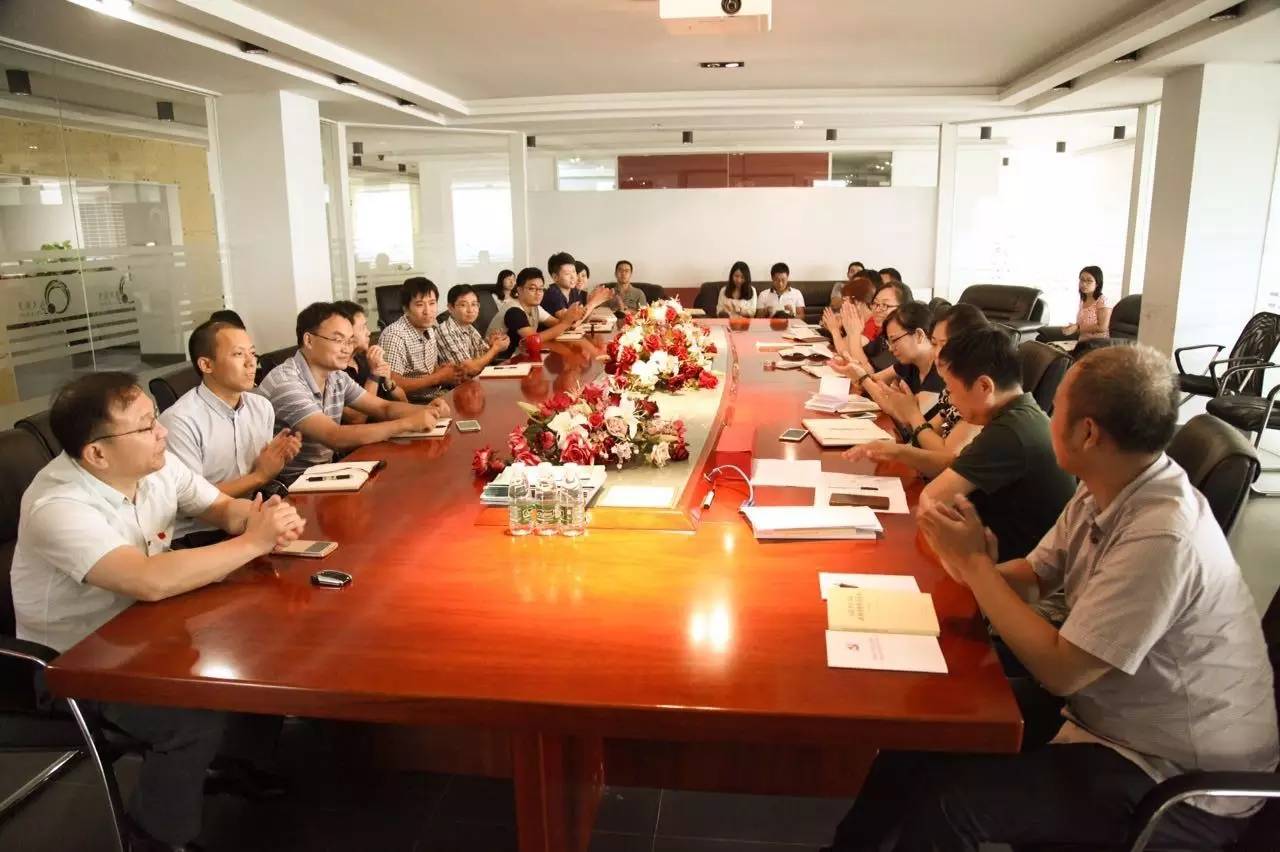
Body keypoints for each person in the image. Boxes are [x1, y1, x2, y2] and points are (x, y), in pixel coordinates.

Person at [826, 345, 1278, 852]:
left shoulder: (1163, 534)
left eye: (1055, 407)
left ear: (1087, 433)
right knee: (928, 726)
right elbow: (1035, 576)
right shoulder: (1108, 483)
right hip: (1107, 714)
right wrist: (968, 565)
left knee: (954, 803)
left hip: (1168, 773)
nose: (1045, 415)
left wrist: (977, 569)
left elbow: (1063, 671)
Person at [11, 371, 307, 851]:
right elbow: (146, 580)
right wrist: (253, 542)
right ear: (97, 454)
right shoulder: (57, 505)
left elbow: (221, 508)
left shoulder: (154, 466)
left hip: (146, 629)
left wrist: (260, 520)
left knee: (261, 638)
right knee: (190, 718)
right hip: (74, 665)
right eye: (146, 425)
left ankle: (234, 761)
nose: (162, 431)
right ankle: (155, 835)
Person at [915, 326, 1077, 562]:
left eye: (951, 390)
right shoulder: (1023, 413)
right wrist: (896, 452)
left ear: (984, 386)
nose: (950, 400)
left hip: (1008, 571)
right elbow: (957, 464)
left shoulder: (1010, 433)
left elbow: (932, 503)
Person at [256, 302, 450, 483]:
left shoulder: (336, 376)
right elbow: (334, 436)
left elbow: (383, 407)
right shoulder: (287, 382)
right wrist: (407, 423)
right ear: (309, 340)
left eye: (350, 341)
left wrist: (427, 410)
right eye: (338, 340)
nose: (347, 349)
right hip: (290, 486)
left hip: (324, 474)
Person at [160, 319, 302, 547]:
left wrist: (276, 459)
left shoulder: (261, 407)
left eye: (253, 353)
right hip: (198, 536)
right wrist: (259, 476)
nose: (251, 363)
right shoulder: (180, 420)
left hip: (248, 519)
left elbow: (261, 476)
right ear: (206, 365)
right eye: (238, 354)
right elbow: (188, 503)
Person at [842, 303, 988, 478]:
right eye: (934, 343)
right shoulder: (948, 387)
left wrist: (910, 415)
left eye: (942, 345)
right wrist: (896, 449)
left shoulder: (977, 398)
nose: (936, 353)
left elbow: (946, 460)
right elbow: (923, 434)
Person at [376, 277, 462, 402]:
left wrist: (444, 371)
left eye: (432, 303)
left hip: (436, 394)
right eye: (420, 305)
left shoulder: (429, 328)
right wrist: (438, 377)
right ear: (406, 309)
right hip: (413, 403)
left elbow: (429, 370)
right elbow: (392, 384)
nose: (428, 311)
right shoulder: (394, 335)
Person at [332, 300, 407, 424]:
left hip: (391, 426)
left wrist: (388, 383)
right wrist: (374, 376)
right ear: (346, 332)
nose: (369, 332)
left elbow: (403, 401)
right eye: (363, 327)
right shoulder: (334, 369)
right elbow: (357, 419)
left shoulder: (365, 358)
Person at [500, 267, 584, 360]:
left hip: (521, 358)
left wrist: (570, 318)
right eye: (532, 289)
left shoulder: (535, 308)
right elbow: (533, 339)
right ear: (519, 290)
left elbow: (557, 324)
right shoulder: (513, 311)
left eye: (541, 289)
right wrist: (566, 323)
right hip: (503, 362)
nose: (538, 293)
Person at [436, 284, 510, 375]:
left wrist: (492, 344)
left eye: (474, 304)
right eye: (463, 305)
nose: (470, 310)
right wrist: (495, 349)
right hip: (460, 383)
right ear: (451, 308)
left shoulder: (469, 327)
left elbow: (484, 359)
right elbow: (469, 369)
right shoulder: (446, 331)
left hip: (479, 378)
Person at [1038, 266, 1111, 344]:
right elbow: (1084, 323)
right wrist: (1073, 327)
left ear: (1097, 284)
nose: (1084, 284)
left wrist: (1077, 327)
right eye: (1082, 280)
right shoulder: (1083, 299)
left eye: (1089, 281)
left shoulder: (1102, 301)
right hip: (1081, 341)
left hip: (1097, 344)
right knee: (1042, 337)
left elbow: (1102, 327)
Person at [543, 251, 611, 320]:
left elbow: (584, 318)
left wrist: (591, 299)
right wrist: (593, 302)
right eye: (567, 274)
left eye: (574, 271)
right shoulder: (553, 293)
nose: (573, 277)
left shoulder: (574, 291)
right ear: (555, 277)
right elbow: (570, 322)